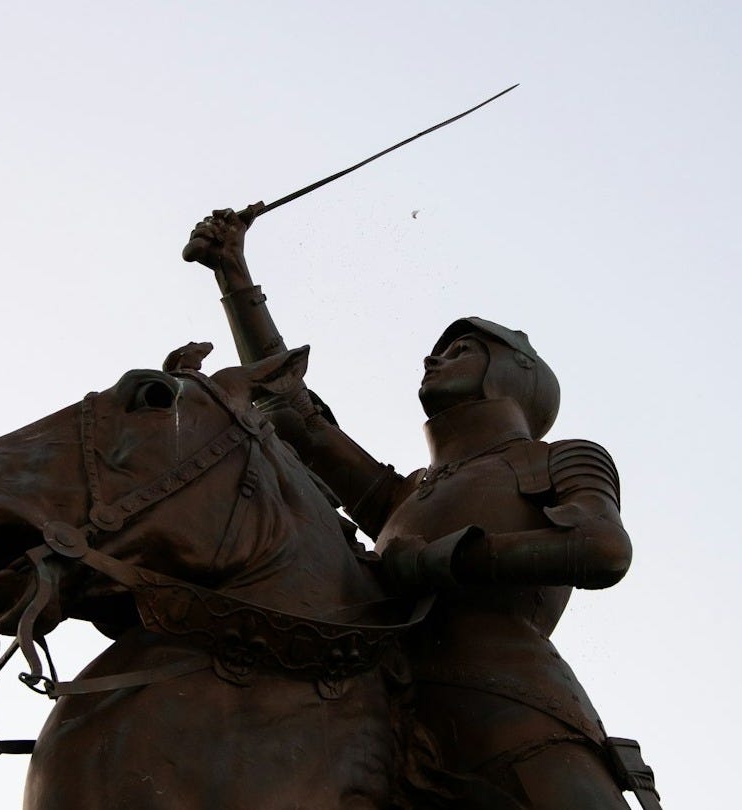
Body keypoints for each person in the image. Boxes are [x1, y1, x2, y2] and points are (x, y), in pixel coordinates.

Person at [184, 208, 656, 809]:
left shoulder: (560, 458)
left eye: (460, 351)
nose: (433, 360)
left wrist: (437, 562)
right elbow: (294, 411)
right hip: (381, 710)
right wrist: (233, 273)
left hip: (513, 713)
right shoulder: (407, 495)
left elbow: (605, 551)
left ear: (512, 374)